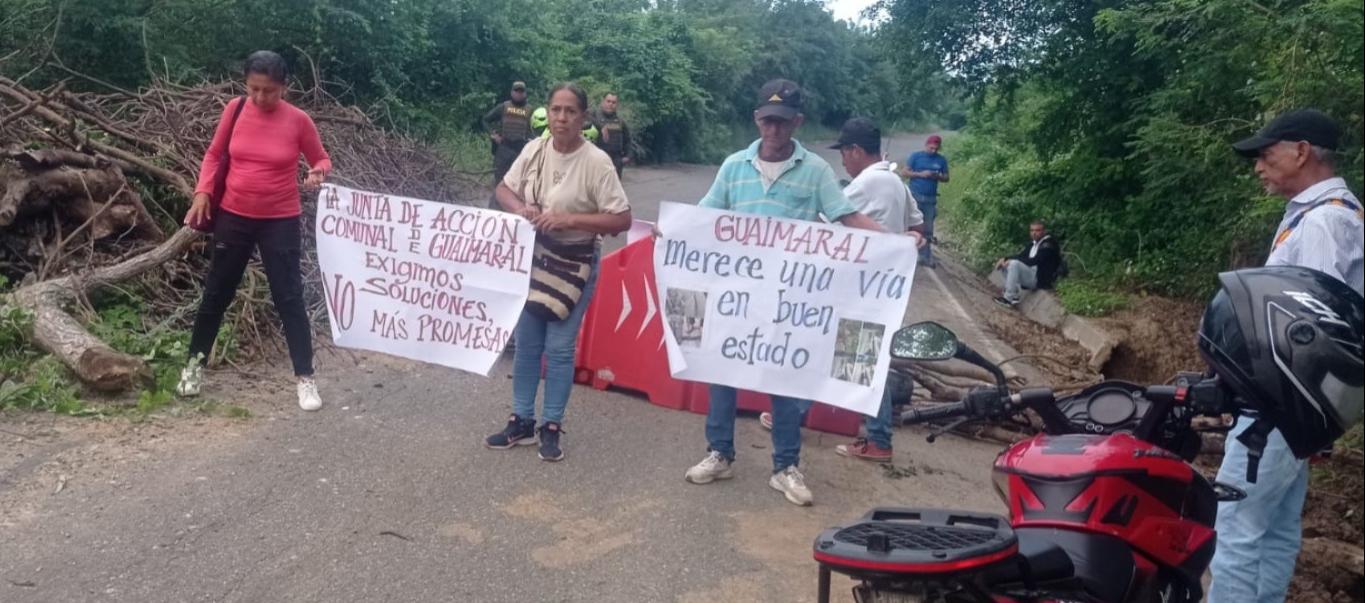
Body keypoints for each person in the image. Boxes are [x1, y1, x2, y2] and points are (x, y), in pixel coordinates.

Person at [682, 79, 887, 506]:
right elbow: (706, 215)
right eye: (766, 121)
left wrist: (896, 243)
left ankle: (785, 466)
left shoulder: (815, 171)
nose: (772, 130)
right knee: (722, 372)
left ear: (797, 122)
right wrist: (672, 232)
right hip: (737, 294)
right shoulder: (734, 165)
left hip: (788, 301)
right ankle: (719, 453)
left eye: (781, 122)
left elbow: (846, 217)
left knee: (787, 378)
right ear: (757, 119)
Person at [1208, 109, 1363, 603]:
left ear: (1300, 151)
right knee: (1275, 525)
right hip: (1301, 408)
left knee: (1236, 524)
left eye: (1265, 154)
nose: (1258, 165)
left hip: (1280, 406)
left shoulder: (1323, 222)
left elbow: (1311, 331)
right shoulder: (1334, 213)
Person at [756, 116, 926, 460]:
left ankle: (869, 437)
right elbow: (919, 223)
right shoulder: (895, 182)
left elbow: (826, 217)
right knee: (857, 358)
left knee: (842, 354)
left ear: (856, 150)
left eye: (845, 153)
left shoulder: (867, 184)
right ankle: (867, 436)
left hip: (854, 287)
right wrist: (907, 239)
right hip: (877, 288)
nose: (843, 161)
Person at [483, 82, 632, 463]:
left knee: (560, 348)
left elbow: (621, 218)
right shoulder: (534, 150)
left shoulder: (597, 161)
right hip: (533, 258)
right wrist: (521, 209)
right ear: (547, 113)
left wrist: (570, 219)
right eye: (556, 110)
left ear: (583, 118)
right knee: (528, 344)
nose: (562, 118)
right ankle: (521, 420)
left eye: (570, 111)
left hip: (576, 261)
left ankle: (551, 425)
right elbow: (504, 189)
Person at [177, 50, 331, 411]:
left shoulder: (298, 121)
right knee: (216, 293)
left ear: (285, 88)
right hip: (234, 215)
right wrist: (202, 190)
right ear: (246, 85)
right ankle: (193, 367)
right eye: (254, 89)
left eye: (270, 91)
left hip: (280, 219)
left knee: (289, 297)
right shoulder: (234, 110)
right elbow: (214, 155)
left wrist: (318, 173)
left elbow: (320, 158)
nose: (261, 98)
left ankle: (305, 379)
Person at [898, 135, 948, 267]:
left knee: (928, 228)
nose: (933, 151)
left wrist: (937, 176)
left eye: (936, 149)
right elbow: (904, 172)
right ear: (926, 145)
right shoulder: (916, 156)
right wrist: (921, 174)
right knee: (911, 225)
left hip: (930, 198)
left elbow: (947, 177)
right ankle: (904, 254)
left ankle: (925, 256)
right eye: (931, 148)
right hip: (915, 195)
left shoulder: (941, 160)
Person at [483, 81, 534, 208]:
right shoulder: (504, 107)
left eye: (521, 91)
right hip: (504, 149)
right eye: (516, 91)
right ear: (512, 92)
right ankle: (493, 210)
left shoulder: (530, 110)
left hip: (521, 152)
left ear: (525, 93)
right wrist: (493, 135)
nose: (518, 93)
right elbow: (485, 120)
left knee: (519, 185)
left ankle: (513, 212)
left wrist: (532, 141)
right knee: (499, 182)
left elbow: (536, 129)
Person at [992, 221, 1061, 307]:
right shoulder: (1033, 244)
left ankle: (1007, 299)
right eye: (1032, 230)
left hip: (1040, 279)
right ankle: (1014, 296)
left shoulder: (1048, 245)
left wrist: (1011, 260)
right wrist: (1005, 259)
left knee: (1014, 264)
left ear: (1044, 231)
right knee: (1005, 264)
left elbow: (1034, 261)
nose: (1034, 233)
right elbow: (1021, 256)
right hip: (1031, 274)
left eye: (1037, 230)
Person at [591, 93, 631, 178]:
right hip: (598, 160)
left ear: (617, 104)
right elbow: (584, 123)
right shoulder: (594, 117)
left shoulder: (620, 122)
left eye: (614, 102)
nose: (611, 104)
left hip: (616, 160)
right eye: (608, 101)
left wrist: (627, 156)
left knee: (615, 189)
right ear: (603, 102)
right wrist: (600, 126)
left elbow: (627, 140)